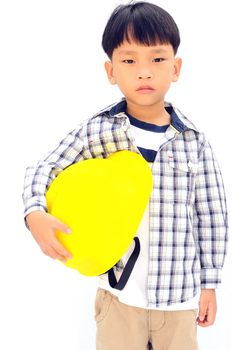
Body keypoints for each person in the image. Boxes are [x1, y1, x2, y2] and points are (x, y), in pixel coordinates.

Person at [22, 2, 228, 349]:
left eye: (157, 59)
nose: (144, 72)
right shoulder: (98, 131)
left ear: (176, 68)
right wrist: (35, 213)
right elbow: (45, 167)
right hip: (119, 299)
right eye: (129, 60)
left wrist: (210, 284)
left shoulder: (195, 142)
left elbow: (211, 217)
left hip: (178, 301)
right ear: (111, 70)